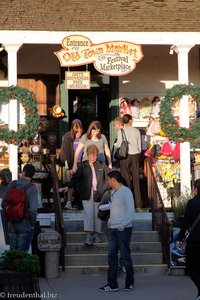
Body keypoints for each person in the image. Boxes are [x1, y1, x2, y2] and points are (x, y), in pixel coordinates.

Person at [99, 170, 135, 292]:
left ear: (113, 180)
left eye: (108, 180)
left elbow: (131, 210)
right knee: (111, 256)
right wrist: (110, 220)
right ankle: (112, 284)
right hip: (112, 229)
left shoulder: (126, 191)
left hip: (123, 229)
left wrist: (123, 224)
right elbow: (114, 207)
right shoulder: (114, 192)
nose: (107, 182)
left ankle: (129, 282)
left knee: (125, 256)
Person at [69, 144, 108, 246]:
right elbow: (75, 179)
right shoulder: (82, 165)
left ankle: (96, 234)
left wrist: (102, 190)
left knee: (97, 214)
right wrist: (70, 187)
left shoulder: (101, 165)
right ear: (87, 155)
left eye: (94, 155)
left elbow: (107, 179)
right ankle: (88, 235)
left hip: (98, 193)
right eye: (90, 155)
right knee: (88, 213)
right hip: (87, 192)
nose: (92, 157)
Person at [2, 164, 38, 252]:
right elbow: (33, 210)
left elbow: (3, 203)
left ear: (23, 172)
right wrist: (32, 224)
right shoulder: (32, 188)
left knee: (13, 255)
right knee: (22, 255)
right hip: (25, 225)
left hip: (11, 225)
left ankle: (12, 266)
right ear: (33, 175)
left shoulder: (13, 184)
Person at [176, 179, 200, 300]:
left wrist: (180, 238)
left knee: (191, 267)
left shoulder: (192, 202)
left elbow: (186, 222)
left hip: (195, 240)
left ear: (196, 188)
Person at [116, 114, 142, 209]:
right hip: (135, 155)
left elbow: (119, 145)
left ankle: (128, 203)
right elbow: (139, 147)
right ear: (130, 121)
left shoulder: (121, 131)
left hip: (125, 156)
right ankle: (138, 204)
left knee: (125, 179)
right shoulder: (136, 131)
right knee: (136, 179)